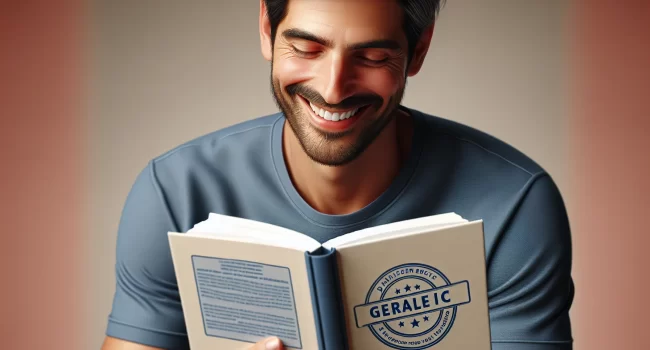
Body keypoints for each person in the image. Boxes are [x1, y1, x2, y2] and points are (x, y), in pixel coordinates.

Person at [101, 0, 574, 349]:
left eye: (371, 58)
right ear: (267, 28)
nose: (332, 89)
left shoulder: (515, 202)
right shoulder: (174, 192)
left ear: (419, 49)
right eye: (306, 47)